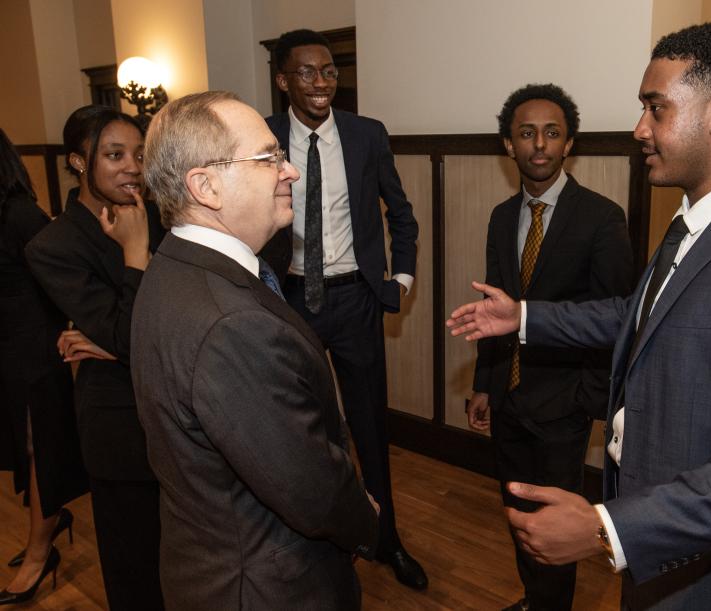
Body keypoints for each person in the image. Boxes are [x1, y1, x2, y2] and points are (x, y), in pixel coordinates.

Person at [447, 22, 711, 611]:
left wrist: (607, 529)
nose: (640, 129)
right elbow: (634, 315)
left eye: (655, 109)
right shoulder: (690, 221)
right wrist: (525, 317)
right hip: (660, 538)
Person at [132, 90, 379, 610]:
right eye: (269, 158)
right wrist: (364, 519)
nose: (289, 171)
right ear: (206, 186)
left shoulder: (177, 264)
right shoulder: (231, 325)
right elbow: (308, 487)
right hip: (265, 587)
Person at [259, 28, 426, 590]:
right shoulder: (262, 138)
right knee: (303, 428)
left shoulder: (365, 135)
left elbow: (401, 215)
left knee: (368, 426)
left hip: (355, 300)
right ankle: (327, 539)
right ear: (283, 81)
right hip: (288, 301)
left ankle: (388, 539)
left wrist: (398, 280)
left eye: (329, 70)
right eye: (306, 72)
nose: (321, 81)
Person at [467, 84, 632, 611]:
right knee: (516, 511)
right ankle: (534, 599)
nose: (539, 144)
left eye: (552, 133)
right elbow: (495, 313)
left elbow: (615, 320)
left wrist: (588, 399)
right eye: (526, 133)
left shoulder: (602, 218)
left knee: (554, 524)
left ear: (569, 145)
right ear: (507, 145)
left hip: (564, 406)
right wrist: (483, 386)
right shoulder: (499, 217)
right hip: (509, 399)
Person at [25, 106, 165, 611]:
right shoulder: (52, 245)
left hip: (179, 412)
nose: (133, 167)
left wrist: (106, 341)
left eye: (139, 155)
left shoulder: (161, 215)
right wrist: (135, 253)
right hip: (120, 425)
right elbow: (134, 336)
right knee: (136, 571)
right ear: (79, 162)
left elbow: (179, 317)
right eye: (114, 155)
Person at [0, 128, 87, 605]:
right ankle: (46, 524)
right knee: (25, 443)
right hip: (8, 346)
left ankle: (39, 553)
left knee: (40, 445)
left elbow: (63, 267)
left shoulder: (18, 214)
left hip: (33, 343)